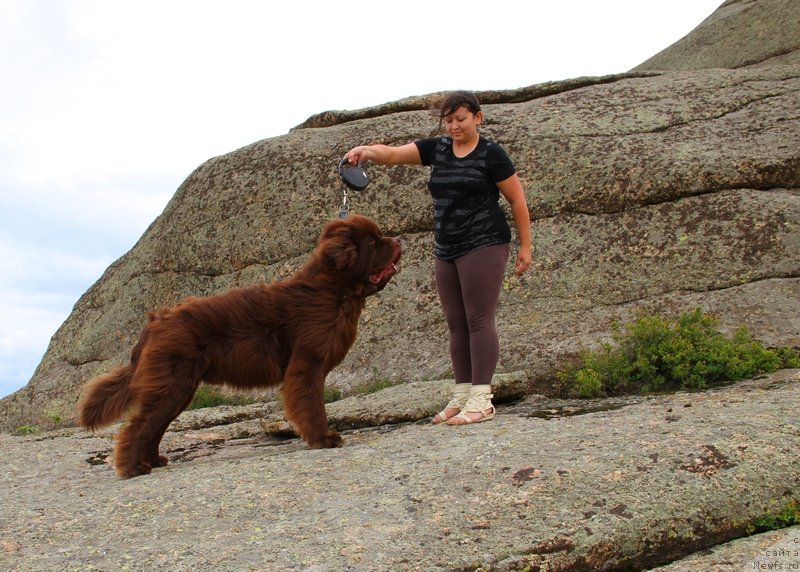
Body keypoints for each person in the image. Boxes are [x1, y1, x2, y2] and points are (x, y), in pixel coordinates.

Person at [345, 91, 532, 425]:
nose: (453, 126)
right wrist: (366, 151)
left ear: (478, 117)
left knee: (478, 319)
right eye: (448, 120)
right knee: (456, 323)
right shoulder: (438, 148)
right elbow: (392, 156)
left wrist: (525, 246)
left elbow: (517, 200)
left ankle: (481, 398)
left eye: (460, 119)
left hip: (484, 242)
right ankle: (462, 394)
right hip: (447, 246)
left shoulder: (492, 155)